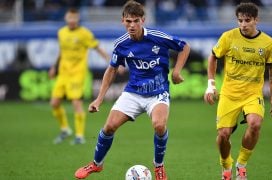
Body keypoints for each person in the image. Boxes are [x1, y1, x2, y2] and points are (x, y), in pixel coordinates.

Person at [74, 1, 190, 179]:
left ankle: (158, 166)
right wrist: (98, 99)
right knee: (109, 126)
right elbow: (112, 70)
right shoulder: (121, 44)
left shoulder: (157, 37)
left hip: (158, 92)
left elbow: (184, 47)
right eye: (128, 21)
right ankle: (96, 164)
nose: (132, 25)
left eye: (136, 21)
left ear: (143, 20)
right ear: (123, 21)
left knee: (159, 125)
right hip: (133, 93)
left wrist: (176, 71)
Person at [204, 2, 272, 180]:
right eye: (240, 20)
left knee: (255, 124)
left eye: (247, 20)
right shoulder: (228, 37)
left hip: (253, 94)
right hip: (229, 94)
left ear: (256, 20)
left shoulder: (268, 43)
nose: (243, 24)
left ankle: (242, 165)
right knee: (223, 135)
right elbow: (213, 57)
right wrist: (211, 84)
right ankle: (226, 166)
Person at [49, 8, 110, 145]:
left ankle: (79, 135)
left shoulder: (84, 34)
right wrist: (54, 66)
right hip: (63, 73)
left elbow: (97, 48)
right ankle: (65, 129)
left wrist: (111, 61)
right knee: (54, 103)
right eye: (69, 18)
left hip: (77, 73)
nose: (71, 20)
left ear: (78, 19)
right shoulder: (61, 32)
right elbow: (61, 51)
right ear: (66, 18)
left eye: (74, 18)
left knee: (76, 103)